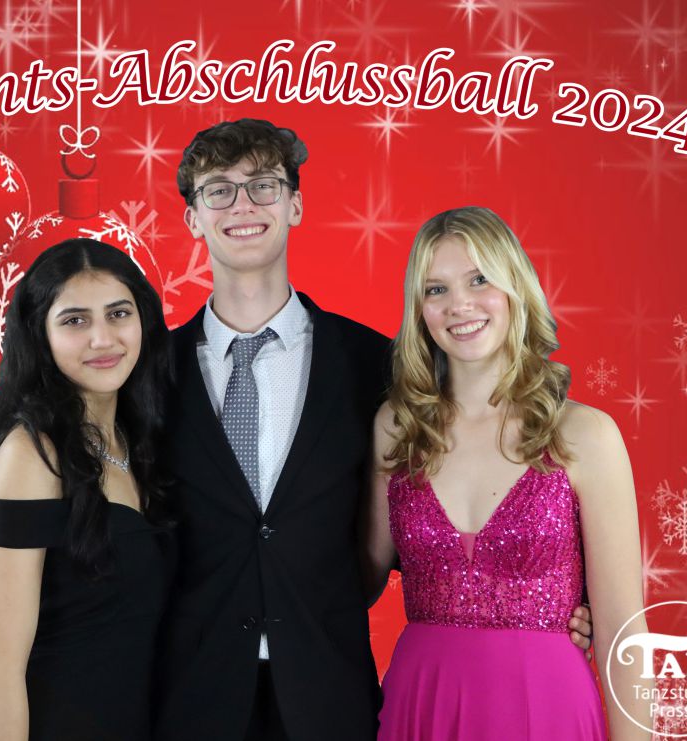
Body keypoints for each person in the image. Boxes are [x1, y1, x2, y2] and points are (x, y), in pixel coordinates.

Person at [155, 122, 595, 741]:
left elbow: (469, 474)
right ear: (193, 217)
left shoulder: (380, 368)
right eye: (218, 190)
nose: (243, 204)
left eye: (263, 185)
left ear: (295, 204)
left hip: (330, 700)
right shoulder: (147, 375)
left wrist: (564, 598)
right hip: (188, 700)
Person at [365, 207, 649, 740]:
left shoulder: (586, 435)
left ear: (516, 286)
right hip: (420, 703)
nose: (460, 305)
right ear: (419, 310)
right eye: (436, 289)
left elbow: (622, 631)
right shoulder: (396, 428)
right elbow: (355, 578)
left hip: (549, 709)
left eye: (479, 280)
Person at [0, 238, 175, 741]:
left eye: (118, 313)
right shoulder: (32, 454)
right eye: (74, 321)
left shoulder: (142, 441)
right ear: (40, 335)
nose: (102, 339)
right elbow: (1, 672)